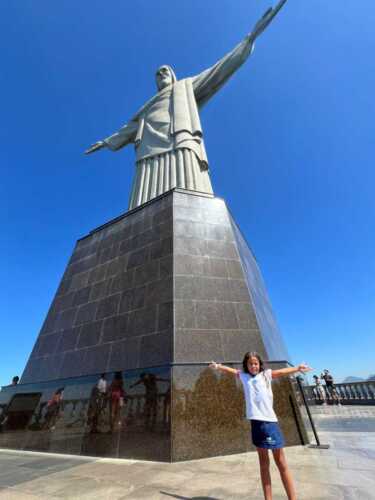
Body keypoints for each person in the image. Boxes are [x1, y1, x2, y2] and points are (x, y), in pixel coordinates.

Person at [85, 1, 288, 210]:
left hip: (179, 138)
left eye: (165, 71)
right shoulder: (146, 108)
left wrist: (248, 40)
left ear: (172, 76)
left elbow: (218, 70)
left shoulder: (185, 86)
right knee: (144, 196)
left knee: (189, 186)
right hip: (148, 149)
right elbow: (128, 129)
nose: (160, 74)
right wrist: (106, 142)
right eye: (157, 74)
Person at [210, 352, 311, 500]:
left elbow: (281, 372)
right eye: (250, 363)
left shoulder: (266, 375)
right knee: (264, 464)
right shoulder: (244, 377)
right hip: (256, 424)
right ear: (246, 365)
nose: (253, 366)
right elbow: (231, 371)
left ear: (260, 364)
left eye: (256, 363)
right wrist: (218, 366)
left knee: (281, 462)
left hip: (269, 422)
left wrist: (297, 368)